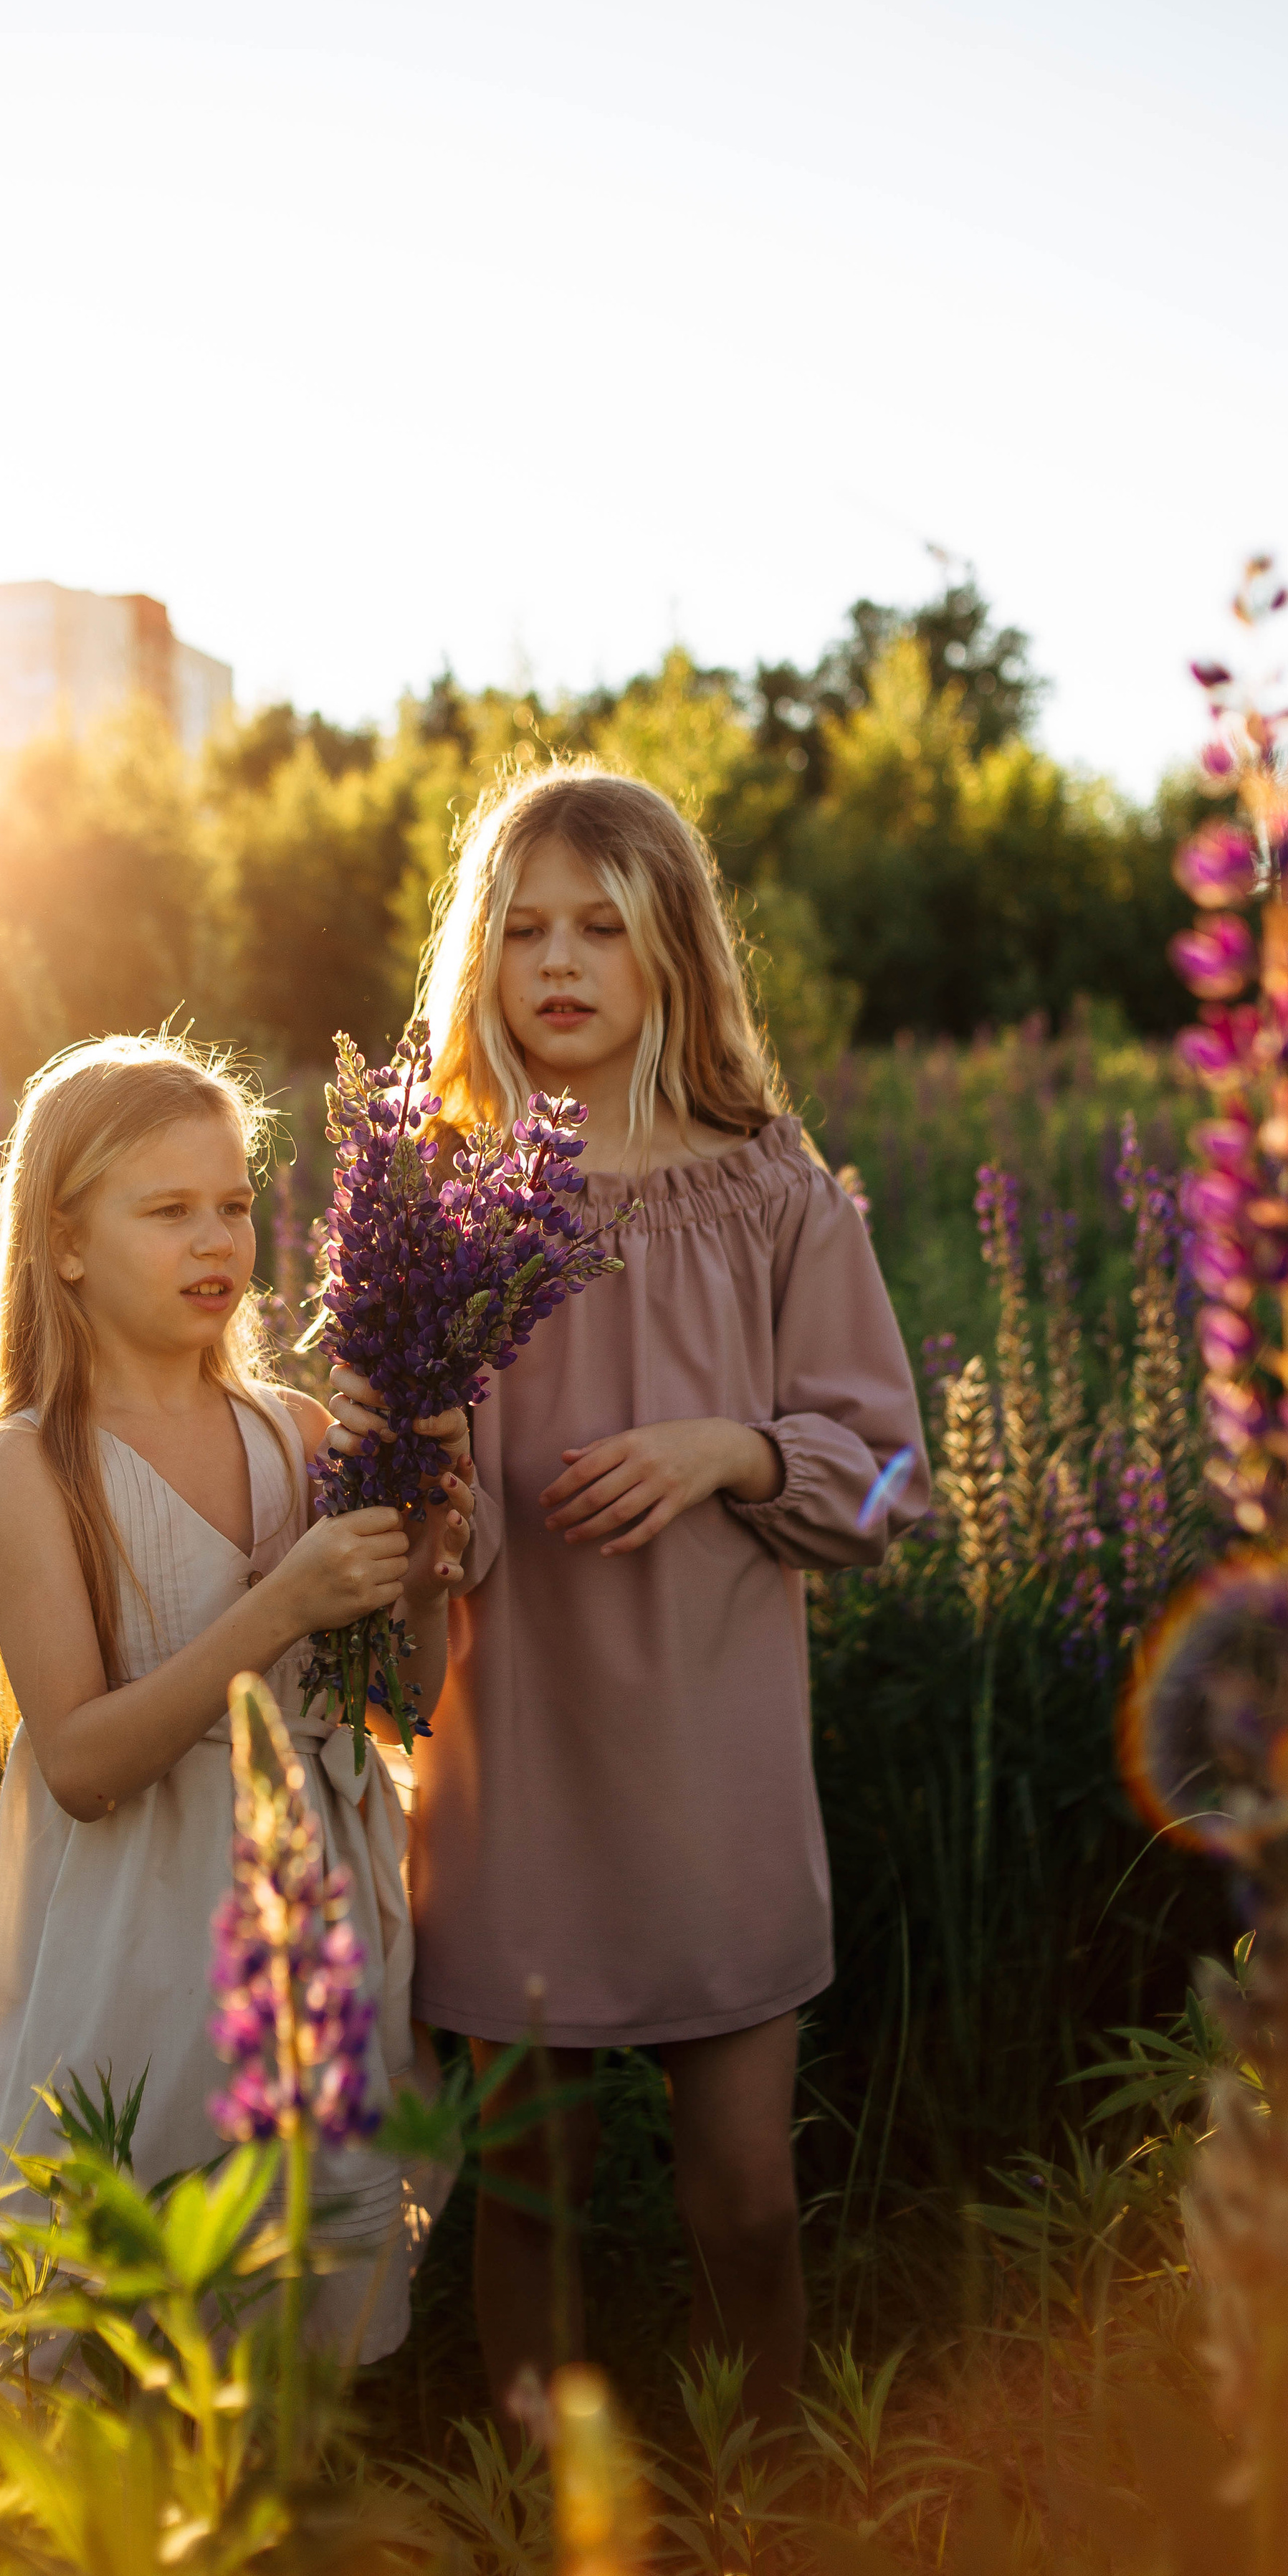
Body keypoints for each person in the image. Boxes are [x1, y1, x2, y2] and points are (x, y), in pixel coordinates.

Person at [331, 766, 929, 2427]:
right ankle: (535, 2508)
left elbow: (888, 1479)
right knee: (526, 2195)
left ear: (676, 950)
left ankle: (779, 2492)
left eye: (602, 924)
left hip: (714, 1775)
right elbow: (378, 1499)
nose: (559, 961)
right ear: (478, 961)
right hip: (511, 1765)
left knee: (741, 2196)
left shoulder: (772, 1194)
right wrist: (419, 1469)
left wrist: (727, 1450)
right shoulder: (437, 1213)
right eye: (521, 930)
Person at [0, 1031, 474, 2363]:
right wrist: (281, 1604)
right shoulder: (31, 1469)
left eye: (235, 1205)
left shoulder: (295, 1433)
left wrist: (420, 1575)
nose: (218, 1240)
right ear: (65, 1243)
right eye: (169, 1209)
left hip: (307, 1928)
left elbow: (395, 1705)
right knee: (126, 2322)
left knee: (297, 2326)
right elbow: (79, 1761)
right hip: (135, 1940)